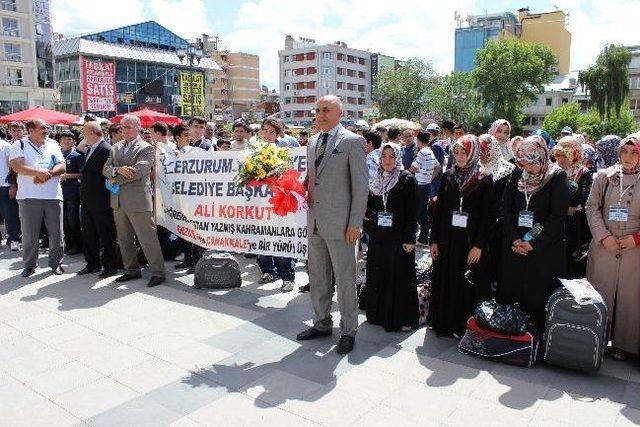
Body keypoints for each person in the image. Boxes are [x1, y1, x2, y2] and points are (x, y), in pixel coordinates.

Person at [296, 95, 368, 355]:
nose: (321, 114)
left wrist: (355, 224)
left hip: (341, 226)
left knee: (345, 280)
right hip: (314, 221)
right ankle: (322, 322)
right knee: (317, 277)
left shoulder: (352, 141)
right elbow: (313, 180)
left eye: (326, 110)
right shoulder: (313, 141)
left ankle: (349, 330)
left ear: (340, 112)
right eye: (318, 110)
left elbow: (361, 188)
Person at [428, 134, 495, 338]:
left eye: (464, 152)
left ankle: (464, 326)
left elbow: (489, 216)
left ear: (473, 152)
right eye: (456, 152)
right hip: (448, 240)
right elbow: (438, 211)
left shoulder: (483, 178)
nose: (459, 157)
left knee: (466, 283)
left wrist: (479, 245)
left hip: (469, 241)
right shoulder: (449, 175)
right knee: (447, 281)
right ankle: (444, 324)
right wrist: (434, 240)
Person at [499, 135, 569, 328]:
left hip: (543, 251)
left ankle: (534, 339)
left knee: (537, 299)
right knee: (512, 296)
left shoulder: (556, 176)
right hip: (516, 247)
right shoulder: (517, 173)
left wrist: (532, 243)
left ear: (541, 156)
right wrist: (515, 239)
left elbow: (557, 218)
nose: (527, 168)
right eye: (523, 163)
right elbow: (506, 208)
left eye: (531, 163)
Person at [586, 134, 640, 361]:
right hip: (604, 246)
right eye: (624, 151)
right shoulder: (603, 176)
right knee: (601, 292)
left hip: (633, 250)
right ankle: (594, 339)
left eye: (634, 152)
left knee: (631, 298)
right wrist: (603, 236)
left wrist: (636, 239)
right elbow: (591, 207)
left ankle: (626, 346)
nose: (627, 157)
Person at [102, 115, 166, 287]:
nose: (125, 130)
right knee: (124, 239)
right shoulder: (115, 147)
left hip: (138, 201)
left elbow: (140, 171)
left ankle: (158, 271)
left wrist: (115, 179)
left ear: (138, 128)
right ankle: (131, 269)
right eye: (123, 127)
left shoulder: (146, 147)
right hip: (118, 201)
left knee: (147, 238)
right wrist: (118, 170)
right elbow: (105, 170)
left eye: (129, 127)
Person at [364, 143, 418, 331]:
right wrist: (371, 222)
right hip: (379, 237)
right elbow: (370, 207)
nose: (387, 160)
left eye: (391, 156)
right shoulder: (375, 178)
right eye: (384, 156)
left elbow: (413, 212)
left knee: (399, 276)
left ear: (398, 158)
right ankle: (378, 314)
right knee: (380, 273)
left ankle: (400, 318)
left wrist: (410, 239)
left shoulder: (406, 179)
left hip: (399, 237)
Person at [8, 119, 66, 277]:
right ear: (31, 130)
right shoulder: (19, 145)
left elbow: (62, 166)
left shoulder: (53, 144)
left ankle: (56, 263)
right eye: (43, 128)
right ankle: (29, 265)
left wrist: (48, 175)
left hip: (53, 196)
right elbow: (16, 166)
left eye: (47, 127)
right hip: (29, 197)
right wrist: (37, 173)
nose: (46, 130)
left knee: (57, 233)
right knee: (29, 234)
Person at [256, 118, 297, 292]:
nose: (267, 134)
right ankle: (268, 270)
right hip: (259, 202)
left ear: (278, 132)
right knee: (261, 238)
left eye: (271, 131)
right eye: (265, 130)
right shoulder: (255, 148)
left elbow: (293, 173)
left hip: (280, 201)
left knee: (281, 238)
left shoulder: (285, 149)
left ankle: (287, 276)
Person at [77, 122, 118, 278]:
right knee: (89, 233)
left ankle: (110, 266)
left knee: (106, 235)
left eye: (85, 133)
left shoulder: (106, 149)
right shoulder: (91, 149)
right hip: (88, 200)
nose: (83, 136)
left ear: (94, 133)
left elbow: (108, 175)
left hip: (101, 201)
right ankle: (92, 263)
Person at [478, 134, 516, 291]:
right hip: (477, 219)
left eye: (486, 150)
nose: (483, 155)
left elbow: (509, 199)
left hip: (497, 222)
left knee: (495, 254)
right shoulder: (474, 168)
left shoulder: (508, 169)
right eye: (480, 151)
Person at [552, 135, 593, 278]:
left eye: (565, 155)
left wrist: (565, 209)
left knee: (570, 265)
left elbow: (584, 202)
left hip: (574, 228)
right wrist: (565, 209)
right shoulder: (551, 171)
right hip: (552, 226)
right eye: (557, 154)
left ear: (575, 154)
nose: (560, 159)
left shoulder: (583, 174)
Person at [409, 131, 438, 246]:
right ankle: (423, 237)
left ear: (418, 140)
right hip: (425, 185)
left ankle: (413, 236)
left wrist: (404, 173)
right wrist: (430, 178)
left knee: (415, 211)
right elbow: (438, 167)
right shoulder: (430, 151)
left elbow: (413, 168)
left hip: (420, 186)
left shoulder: (422, 152)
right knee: (422, 213)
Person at [59, 131, 84, 255]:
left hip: (73, 191)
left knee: (72, 219)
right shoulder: (57, 154)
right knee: (63, 220)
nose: (66, 141)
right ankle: (68, 244)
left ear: (73, 141)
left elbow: (82, 174)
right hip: (59, 192)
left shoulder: (77, 155)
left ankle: (78, 244)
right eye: (64, 139)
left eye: (69, 139)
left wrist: (67, 175)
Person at [0, 124, 20, 251]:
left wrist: (13, 185)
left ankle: (14, 239)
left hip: (5, 185)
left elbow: (11, 167)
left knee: (10, 213)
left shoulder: (5, 146)